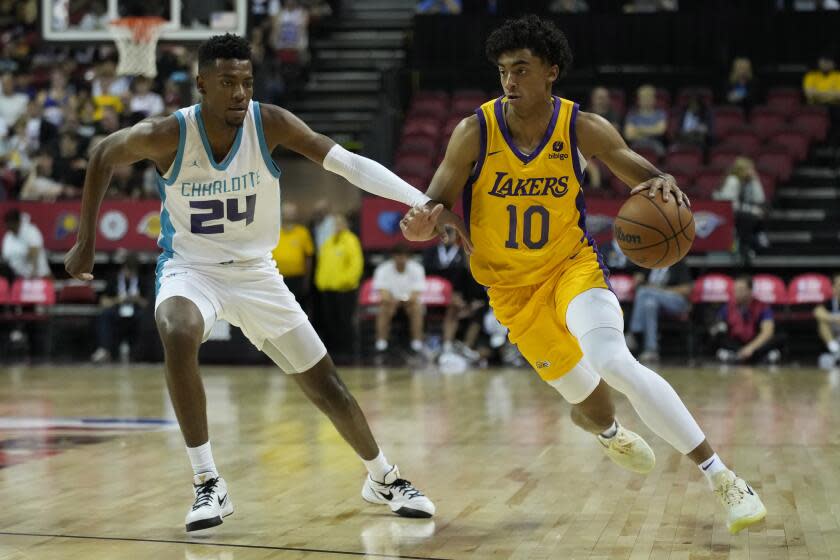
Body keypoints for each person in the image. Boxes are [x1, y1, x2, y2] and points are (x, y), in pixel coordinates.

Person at [401, 15, 765, 534]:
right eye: (504, 70)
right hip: (510, 293)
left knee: (613, 360)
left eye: (521, 69)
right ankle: (607, 428)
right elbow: (432, 204)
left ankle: (724, 478)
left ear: (551, 71)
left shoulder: (580, 125)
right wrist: (422, 224)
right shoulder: (474, 130)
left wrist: (663, 183)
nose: (509, 81)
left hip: (571, 269)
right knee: (592, 407)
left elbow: (640, 169)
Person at [64, 34, 444, 532]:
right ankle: (207, 483)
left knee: (327, 387)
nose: (240, 92)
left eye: (246, 81)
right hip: (190, 269)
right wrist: (86, 240)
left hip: (257, 274)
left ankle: (383, 477)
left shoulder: (270, 123)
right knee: (176, 330)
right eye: (227, 82)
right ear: (201, 85)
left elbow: (347, 164)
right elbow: (103, 155)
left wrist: (421, 200)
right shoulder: (169, 134)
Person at [423, 227, 482, 362]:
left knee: (465, 308)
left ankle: (457, 346)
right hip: (433, 297)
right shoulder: (430, 252)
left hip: (457, 297)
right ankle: (427, 344)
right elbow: (426, 277)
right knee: (452, 304)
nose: (447, 236)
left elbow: (469, 278)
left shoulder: (463, 252)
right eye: (445, 233)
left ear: (457, 236)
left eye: (451, 233)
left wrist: (469, 299)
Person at [314, 213, 364, 361]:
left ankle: (347, 351)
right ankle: (333, 351)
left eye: (339, 223)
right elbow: (322, 263)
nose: (336, 226)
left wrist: (346, 281)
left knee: (344, 320)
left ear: (345, 224)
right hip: (327, 288)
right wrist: (320, 281)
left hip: (345, 289)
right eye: (334, 224)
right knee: (329, 320)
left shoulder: (351, 240)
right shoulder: (328, 242)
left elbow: (356, 264)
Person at [625, 261, 692, 363]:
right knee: (649, 304)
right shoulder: (651, 262)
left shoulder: (678, 263)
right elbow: (638, 281)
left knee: (644, 292)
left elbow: (686, 290)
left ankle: (634, 332)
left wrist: (660, 291)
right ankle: (651, 350)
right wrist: (638, 279)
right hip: (654, 301)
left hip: (676, 302)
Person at [90, 253, 149, 363]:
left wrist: (137, 299)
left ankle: (140, 352)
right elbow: (103, 302)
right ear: (123, 268)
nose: (130, 274)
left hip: (135, 310)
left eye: (133, 272)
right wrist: (118, 300)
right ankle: (104, 350)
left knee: (145, 318)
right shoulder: (113, 278)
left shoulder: (142, 280)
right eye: (128, 270)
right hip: (117, 309)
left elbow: (148, 304)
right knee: (104, 315)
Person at [711, 276, 781, 365]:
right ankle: (741, 355)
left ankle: (743, 356)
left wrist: (751, 348)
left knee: (778, 338)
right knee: (719, 337)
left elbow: (767, 332)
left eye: (741, 290)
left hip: (755, 342)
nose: (736, 293)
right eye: (735, 290)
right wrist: (716, 328)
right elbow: (716, 326)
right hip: (736, 343)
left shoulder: (763, 307)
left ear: (750, 291)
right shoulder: (727, 307)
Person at [372, 244, 426, 355]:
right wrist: (393, 301)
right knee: (383, 307)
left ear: (408, 257)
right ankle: (381, 343)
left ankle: (417, 343)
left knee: (417, 307)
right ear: (393, 256)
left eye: (404, 256)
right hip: (391, 302)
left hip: (409, 303)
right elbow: (383, 293)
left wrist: (404, 301)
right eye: (398, 256)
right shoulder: (382, 269)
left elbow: (416, 293)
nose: (401, 259)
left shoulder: (417, 269)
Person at [712, 157, 767, 262]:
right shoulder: (733, 180)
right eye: (750, 169)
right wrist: (752, 210)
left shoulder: (747, 182)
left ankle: (756, 240)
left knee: (762, 211)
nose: (753, 171)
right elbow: (730, 205)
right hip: (723, 212)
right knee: (749, 217)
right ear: (742, 169)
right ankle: (744, 247)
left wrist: (755, 180)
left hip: (736, 212)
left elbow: (760, 198)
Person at [271, 201, 314, 306]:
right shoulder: (275, 232)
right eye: (287, 212)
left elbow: (309, 257)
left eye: (292, 212)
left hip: (297, 280)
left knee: (297, 308)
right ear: (281, 214)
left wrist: (307, 281)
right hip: (277, 279)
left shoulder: (302, 232)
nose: (290, 214)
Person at [623, 84, 667, 155]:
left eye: (649, 97)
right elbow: (629, 135)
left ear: (654, 99)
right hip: (636, 145)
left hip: (656, 145)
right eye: (644, 98)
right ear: (639, 100)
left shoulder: (660, 114)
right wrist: (652, 129)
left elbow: (660, 130)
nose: (647, 100)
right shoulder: (632, 115)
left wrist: (639, 130)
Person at [814, 273, 840, 368]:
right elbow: (817, 312)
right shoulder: (829, 303)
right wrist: (835, 318)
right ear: (833, 289)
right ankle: (833, 348)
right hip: (833, 339)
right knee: (822, 322)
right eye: (839, 286)